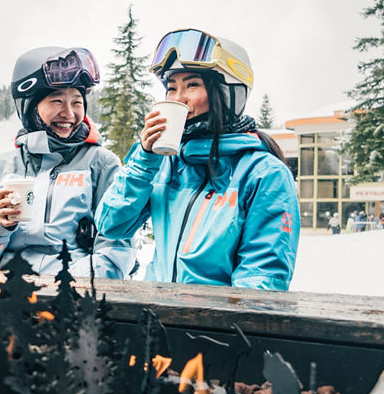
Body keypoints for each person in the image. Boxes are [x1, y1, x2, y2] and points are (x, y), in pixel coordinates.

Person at [95, 28, 299, 290]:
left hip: (213, 323)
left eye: (192, 85)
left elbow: (262, 277)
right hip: (155, 314)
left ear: (227, 94)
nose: (179, 99)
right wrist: (144, 160)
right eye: (171, 88)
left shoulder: (263, 174)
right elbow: (111, 225)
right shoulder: (166, 164)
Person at [0, 46, 136, 278]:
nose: (69, 113)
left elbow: (116, 251)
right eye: (57, 101)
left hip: (75, 300)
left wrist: (64, 287)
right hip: (10, 299)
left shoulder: (102, 165)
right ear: (30, 107)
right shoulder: (1, 168)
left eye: (77, 102)